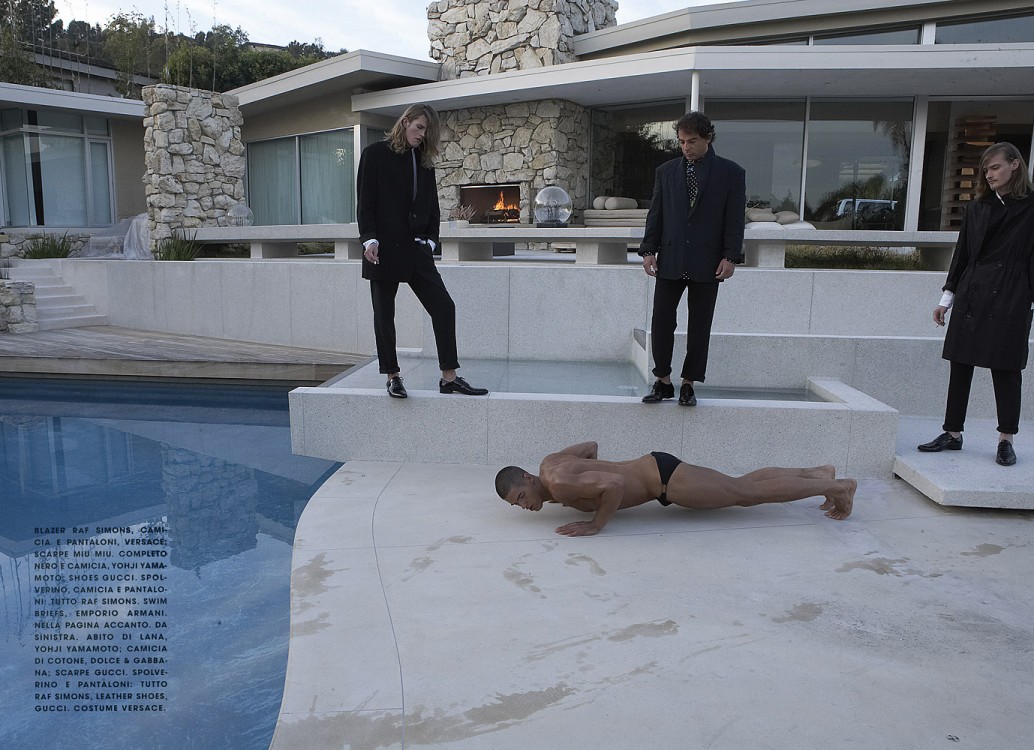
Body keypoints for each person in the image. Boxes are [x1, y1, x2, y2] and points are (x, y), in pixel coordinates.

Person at [357, 103, 488, 399]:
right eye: (419, 127)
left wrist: (430, 241)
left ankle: (449, 378)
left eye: (427, 131)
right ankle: (393, 377)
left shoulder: (423, 160)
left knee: (444, 307)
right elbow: (365, 202)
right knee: (384, 316)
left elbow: (432, 205)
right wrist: (369, 240)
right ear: (405, 122)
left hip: (415, 248)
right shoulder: (374, 154)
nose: (422, 135)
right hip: (382, 249)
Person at [918, 142, 1034, 466]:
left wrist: (1029, 298)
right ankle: (952, 433)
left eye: (995, 167)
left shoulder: (1031, 206)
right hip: (973, 290)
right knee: (960, 363)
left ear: (1014, 164)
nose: (989, 174)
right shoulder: (977, 207)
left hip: (1013, 293)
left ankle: (1006, 439)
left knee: (1007, 367)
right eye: (986, 169)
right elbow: (963, 254)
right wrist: (946, 298)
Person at [494, 441, 856, 537]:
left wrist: (596, 524)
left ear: (528, 478)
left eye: (521, 497)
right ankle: (817, 473)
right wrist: (600, 478)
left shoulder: (559, 483)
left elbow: (615, 484)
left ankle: (837, 487)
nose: (524, 505)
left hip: (667, 482)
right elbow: (590, 447)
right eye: (516, 505)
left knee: (747, 495)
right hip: (657, 467)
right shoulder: (551, 463)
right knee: (742, 485)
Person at [638, 111, 746, 407]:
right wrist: (648, 250)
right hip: (671, 258)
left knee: (700, 325)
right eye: (681, 141)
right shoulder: (666, 171)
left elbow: (735, 219)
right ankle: (662, 381)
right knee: (661, 320)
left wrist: (731, 256)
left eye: (692, 141)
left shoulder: (732, 173)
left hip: (708, 261)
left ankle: (688, 384)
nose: (686, 147)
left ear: (708, 138)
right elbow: (656, 214)